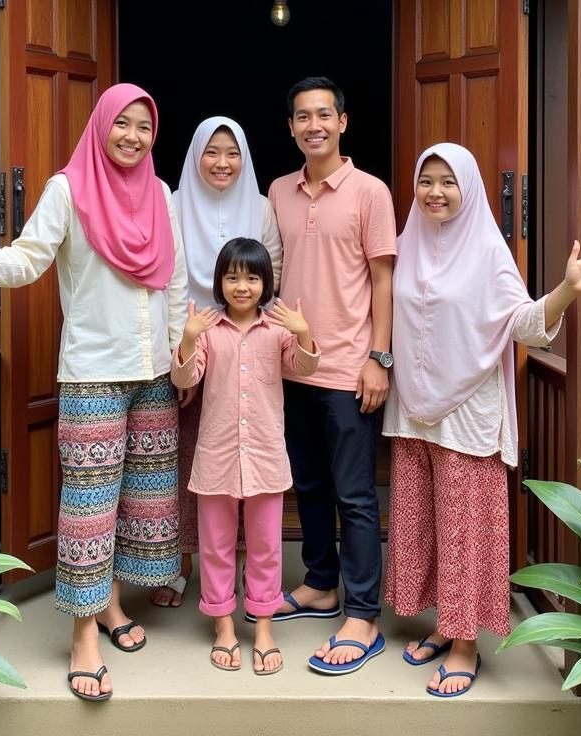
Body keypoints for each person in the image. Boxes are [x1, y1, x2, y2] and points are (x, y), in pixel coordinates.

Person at [0, 83, 188, 704]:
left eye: (145, 126)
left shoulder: (163, 195)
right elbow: (28, 261)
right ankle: (84, 633)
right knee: (89, 504)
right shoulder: (69, 189)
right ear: (101, 125)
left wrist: (180, 353)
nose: (133, 137)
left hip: (155, 369)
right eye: (123, 124)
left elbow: (178, 280)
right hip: (91, 370)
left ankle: (111, 604)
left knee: (142, 495)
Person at [383, 143, 581, 697]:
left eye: (448, 181)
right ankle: (445, 624)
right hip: (413, 410)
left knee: (467, 533)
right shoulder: (406, 242)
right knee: (425, 525)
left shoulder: (489, 251)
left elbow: (525, 324)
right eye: (426, 181)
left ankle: (466, 644)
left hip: (467, 412)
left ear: (469, 189)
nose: (435, 192)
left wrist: (566, 289)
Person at [266, 76, 397, 675]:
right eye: (301, 116)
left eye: (323, 114)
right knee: (309, 486)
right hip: (292, 365)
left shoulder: (371, 192)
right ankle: (320, 584)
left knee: (355, 495)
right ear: (291, 127)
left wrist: (380, 357)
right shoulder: (278, 191)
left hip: (349, 365)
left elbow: (382, 280)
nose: (312, 125)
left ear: (343, 121)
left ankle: (364, 612)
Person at [171, 237, 319, 675]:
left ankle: (264, 625)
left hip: (266, 458)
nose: (242, 286)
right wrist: (187, 338)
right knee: (215, 548)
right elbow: (186, 377)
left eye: (251, 277)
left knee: (266, 548)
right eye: (232, 277)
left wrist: (303, 330)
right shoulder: (208, 330)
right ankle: (222, 626)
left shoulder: (276, 331)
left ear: (264, 283)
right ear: (219, 282)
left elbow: (306, 366)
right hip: (216, 458)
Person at [151, 117, 282, 609]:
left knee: (251, 463)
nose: (222, 162)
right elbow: (166, 274)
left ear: (244, 156)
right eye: (212, 151)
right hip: (189, 339)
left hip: (247, 346)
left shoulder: (262, 207)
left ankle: (251, 573)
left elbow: (275, 273)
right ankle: (182, 563)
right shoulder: (175, 204)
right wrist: (178, 348)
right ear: (195, 155)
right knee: (189, 463)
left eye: (232, 152)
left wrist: (255, 336)